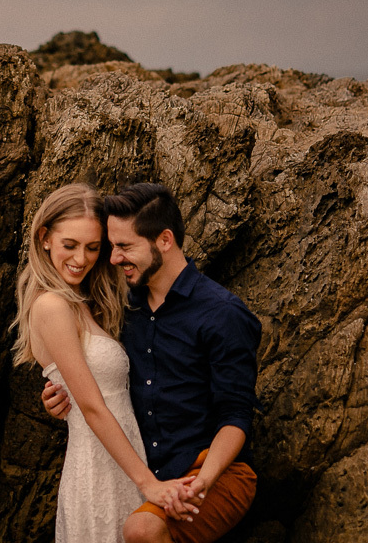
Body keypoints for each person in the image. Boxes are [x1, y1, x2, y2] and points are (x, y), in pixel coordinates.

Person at [43, 182, 261, 543]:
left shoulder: (222, 313)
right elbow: (99, 373)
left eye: (125, 247)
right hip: (146, 472)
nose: (114, 258)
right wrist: (59, 396)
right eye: (111, 247)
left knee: (141, 530)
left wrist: (202, 483)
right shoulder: (122, 308)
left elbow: (236, 416)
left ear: (164, 240)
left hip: (214, 470)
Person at [13, 183, 198, 543]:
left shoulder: (83, 302)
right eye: (70, 245)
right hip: (98, 467)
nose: (81, 259)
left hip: (124, 458)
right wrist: (149, 483)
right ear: (45, 238)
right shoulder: (51, 305)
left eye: (92, 247)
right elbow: (91, 406)